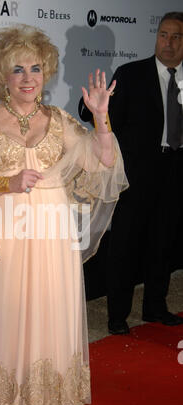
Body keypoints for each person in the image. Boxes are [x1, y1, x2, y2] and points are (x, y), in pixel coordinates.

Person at [0, 24, 127, 405]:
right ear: (2, 75)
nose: (28, 77)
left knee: (53, 309)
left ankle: (57, 400)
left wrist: (101, 118)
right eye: (17, 69)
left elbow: (102, 162)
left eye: (35, 67)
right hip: (6, 229)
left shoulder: (60, 120)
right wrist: (7, 182)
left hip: (51, 232)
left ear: (45, 71)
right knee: (6, 310)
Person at [79, 12, 183, 335]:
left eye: (176, 36)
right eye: (163, 35)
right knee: (125, 246)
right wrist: (91, 106)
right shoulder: (131, 74)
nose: (168, 42)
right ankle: (117, 316)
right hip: (135, 175)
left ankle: (155, 307)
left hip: (176, 172)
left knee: (163, 243)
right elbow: (98, 113)